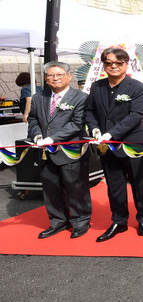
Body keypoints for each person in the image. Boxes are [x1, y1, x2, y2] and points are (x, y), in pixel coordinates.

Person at [85, 47, 143, 242]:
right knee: (114, 185)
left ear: (126, 64)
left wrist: (111, 133)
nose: (113, 66)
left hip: (132, 144)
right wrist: (95, 129)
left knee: (139, 184)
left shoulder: (137, 87)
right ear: (104, 65)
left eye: (118, 63)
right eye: (108, 63)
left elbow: (135, 115)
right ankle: (119, 220)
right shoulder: (97, 87)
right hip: (106, 146)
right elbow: (89, 111)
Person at [27, 61, 91, 239]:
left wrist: (52, 139)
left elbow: (77, 123)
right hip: (45, 152)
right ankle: (58, 221)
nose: (55, 78)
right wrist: (37, 136)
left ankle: (80, 221)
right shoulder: (39, 97)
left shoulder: (81, 97)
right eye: (51, 75)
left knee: (75, 188)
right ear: (46, 78)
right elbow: (33, 119)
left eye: (60, 74)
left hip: (71, 150)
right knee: (51, 188)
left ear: (69, 76)